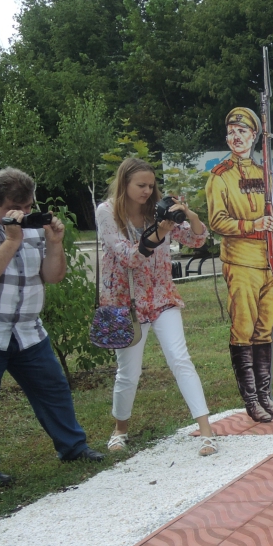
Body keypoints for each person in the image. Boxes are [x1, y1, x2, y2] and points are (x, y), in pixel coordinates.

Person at [0, 168, 102, 484]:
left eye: (28, 206)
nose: (23, 213)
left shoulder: (33, 225)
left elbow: (53, 276)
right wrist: (11, 240)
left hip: (28, 330)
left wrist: (55, 243)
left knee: (53, 390)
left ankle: (73, 447)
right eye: (15, 208)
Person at [97, 158, 218, 458]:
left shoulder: (158, 212)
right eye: (141, 185)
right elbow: (129, 257)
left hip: (162, 297)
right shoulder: (107, 212)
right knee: (129, 372)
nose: (147, 191)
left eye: (151, 185)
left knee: (180, 359)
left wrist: (187, 214)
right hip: (125, 303)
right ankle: (120, 429)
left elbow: (197, 239)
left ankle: (206, 432)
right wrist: (159, 233)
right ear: (124, 183)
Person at [206, 106, 273, 423]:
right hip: (241, 261)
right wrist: (252, 225)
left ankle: (266, 396)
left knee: (264, 329)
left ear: (254, 136)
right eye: (231, 132)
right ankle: (252, 400)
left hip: (269, 262)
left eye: (242, 132)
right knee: (243, 328)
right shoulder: (220, 177)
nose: (236, 137)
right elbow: (217, 220)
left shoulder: (265, 175)